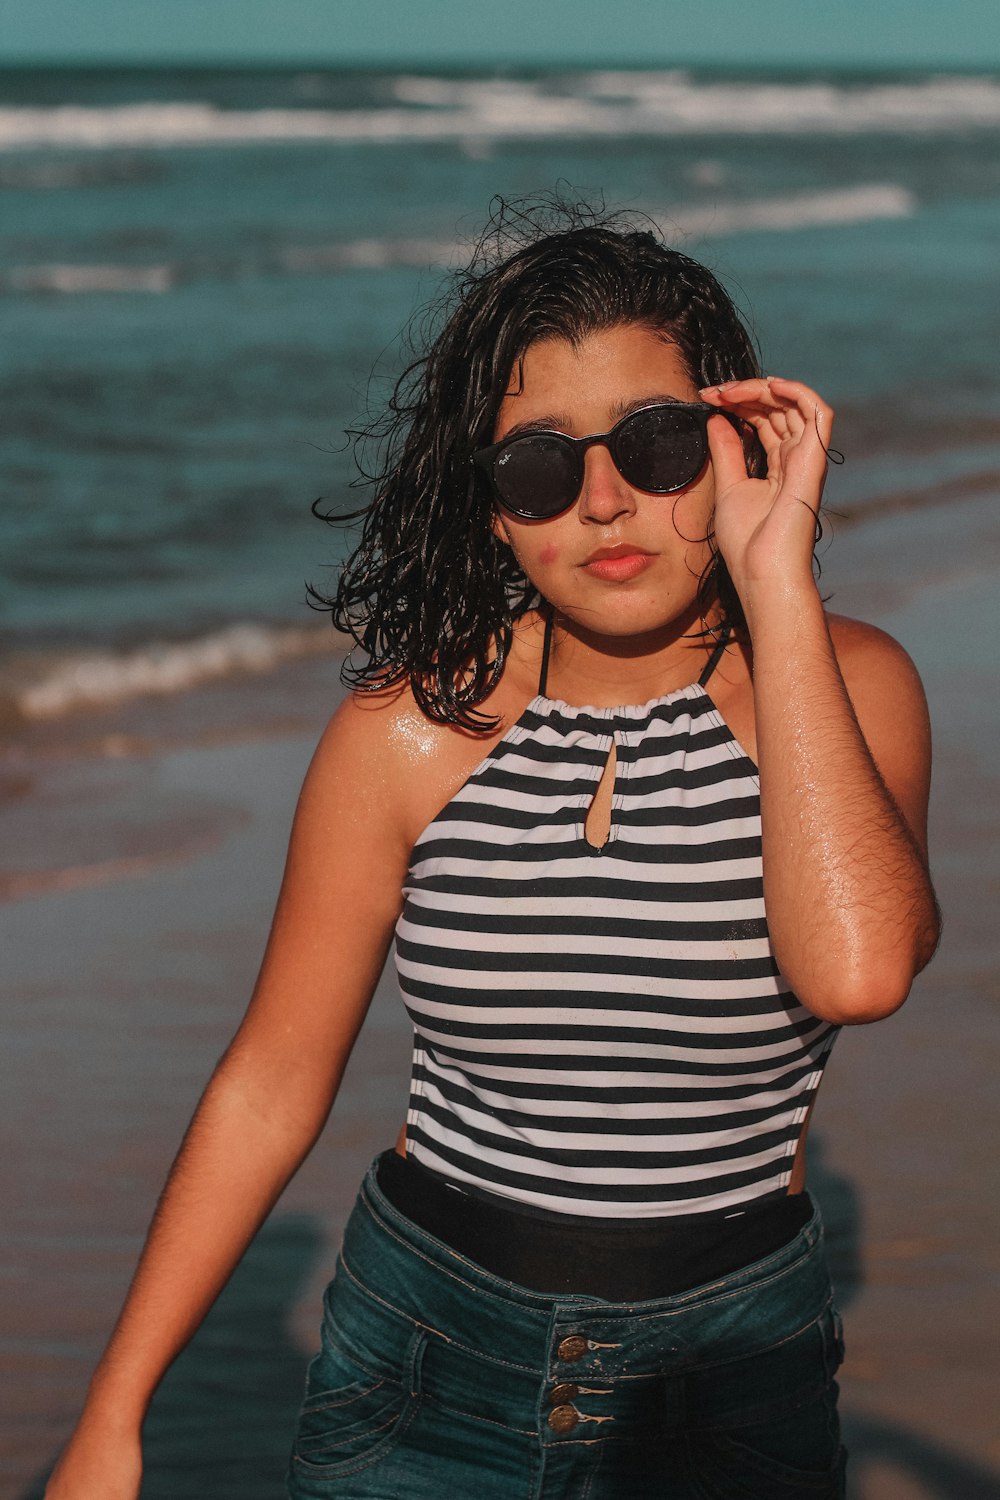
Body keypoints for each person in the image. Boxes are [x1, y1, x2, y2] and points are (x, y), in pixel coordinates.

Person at [46, 203, 939, 1500]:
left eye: (658, 442)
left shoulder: (850, 690)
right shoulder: (410, 732)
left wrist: (779, 585)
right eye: (539, 467)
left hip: (733, 1366)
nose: (605, 499)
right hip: (426, 1351)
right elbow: (275, 1075)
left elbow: (857, 971)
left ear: (735, 442)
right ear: (495, 512)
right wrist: (115, 1413)